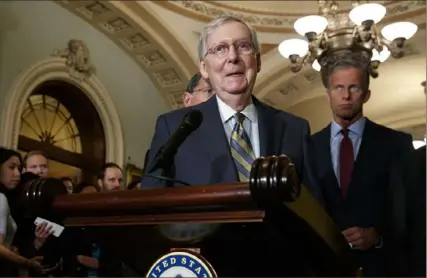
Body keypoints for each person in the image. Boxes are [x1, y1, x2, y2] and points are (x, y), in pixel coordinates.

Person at [141, 15, 323, 276]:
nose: (233, 57)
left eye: (244, 46)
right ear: (204, 68)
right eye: (220, 49)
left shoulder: (294, 129)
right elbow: (151, 206)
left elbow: (314, 216)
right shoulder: (174, 127)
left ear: (257, 61)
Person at [311, 51, 413, 276]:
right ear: (328, 93)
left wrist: (378, 237)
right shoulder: (308, 146)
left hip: (382, 268)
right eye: (338, 88)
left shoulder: (396, 144)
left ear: (366, 94)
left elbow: (410, 212)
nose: (346, 96)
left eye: (354, 88)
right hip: (326, 268)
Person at [0, 148, 50, 276]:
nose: (17, 174)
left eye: (19, 168)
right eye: (11, 167)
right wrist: (27, 263)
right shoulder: (1, 198)